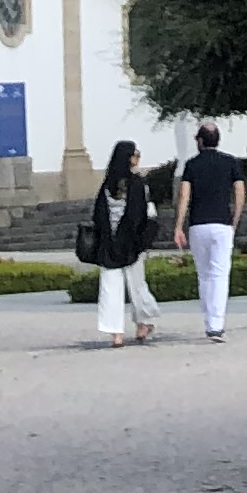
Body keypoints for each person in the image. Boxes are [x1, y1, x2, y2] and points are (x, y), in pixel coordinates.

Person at [175, 123, 247, 340]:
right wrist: (234, 219)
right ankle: (216, 324)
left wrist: (179, 226)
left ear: (200, 140)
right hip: (222, 224)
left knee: (204, 275)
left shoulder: (191, 165)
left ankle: (209, 320)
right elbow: (240, 193)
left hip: (198, 224)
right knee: (219, 274)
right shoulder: (230, 162)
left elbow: (184, 197)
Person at [87, 139, 159, 345]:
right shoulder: (138, 183)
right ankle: (142, 324)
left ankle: (116, 334)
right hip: (132, 243)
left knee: (110, 288)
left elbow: (98, 215)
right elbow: (144, 214)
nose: (137, 158)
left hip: (109, 243)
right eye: (135, 154)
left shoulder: (107, 186)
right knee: (137, 285)